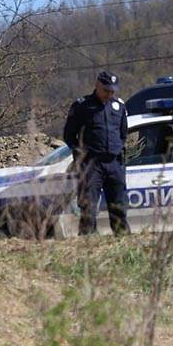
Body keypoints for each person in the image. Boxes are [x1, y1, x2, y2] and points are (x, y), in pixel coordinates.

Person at [63, 70, 130, 236]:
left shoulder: (119, 106)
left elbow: (123, 133)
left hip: (114, 163)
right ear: (97, 86)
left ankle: (122, 240)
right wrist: (81, 157)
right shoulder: (82, 106)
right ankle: (88, 242)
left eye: (112, 91)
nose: (109, 94)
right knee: (89, 208)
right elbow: (69, 135)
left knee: (118, 206)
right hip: (91, 165)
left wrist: (117, 151)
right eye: (106, 90)